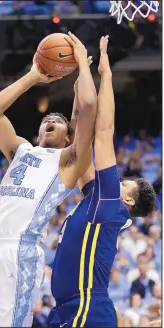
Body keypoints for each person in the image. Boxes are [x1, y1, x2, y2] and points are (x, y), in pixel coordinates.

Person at [0, 32, 98, 327]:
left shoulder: (69, 161)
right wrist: (33, 76)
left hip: (19, 253)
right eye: (47, 119)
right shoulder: (20, 150)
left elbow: (88, 110)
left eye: (58, 122)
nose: (50, 121)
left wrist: (83, 66)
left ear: (69, 138)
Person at [48, 36, 156, 327]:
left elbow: (104, 130)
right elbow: (78, 141)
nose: (117, 181)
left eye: (125, 184)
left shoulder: (110, 203)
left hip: (86, 307)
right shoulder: (96, 197)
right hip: (71, 308)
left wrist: (104, 74)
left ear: (129, 201)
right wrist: (78, 90)